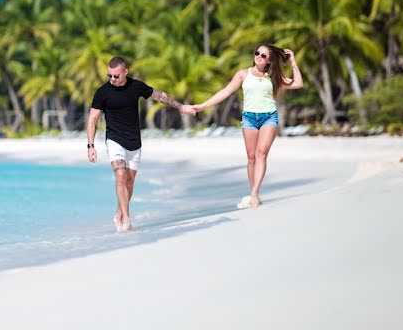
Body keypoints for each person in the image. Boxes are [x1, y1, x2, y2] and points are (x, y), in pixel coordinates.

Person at [86, 56, 194, 231]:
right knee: (120, 175)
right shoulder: (102, 92)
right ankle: (127, 219)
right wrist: (90, 146)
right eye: (109, 76)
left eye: (116, 76)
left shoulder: (136, 86)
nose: (112, 80)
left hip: (134, 142)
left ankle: (118, 214)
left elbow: (160, 95)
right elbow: (92, 119)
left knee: (130, 181)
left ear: (125, 72)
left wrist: (181, 107)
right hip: (114, 140)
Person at [191, 44, 304, 208]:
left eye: (263, 55)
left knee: (261, 154)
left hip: (269, 117)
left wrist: (293, 62)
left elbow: (298, 83)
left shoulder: (273, 77)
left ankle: (254, 194)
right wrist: (203, 105)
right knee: (251, 158)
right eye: (257, 53)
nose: (259, 56)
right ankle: (254, 193)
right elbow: (226, 91)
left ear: (269, 60)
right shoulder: (243, 74)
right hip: (249, 119)